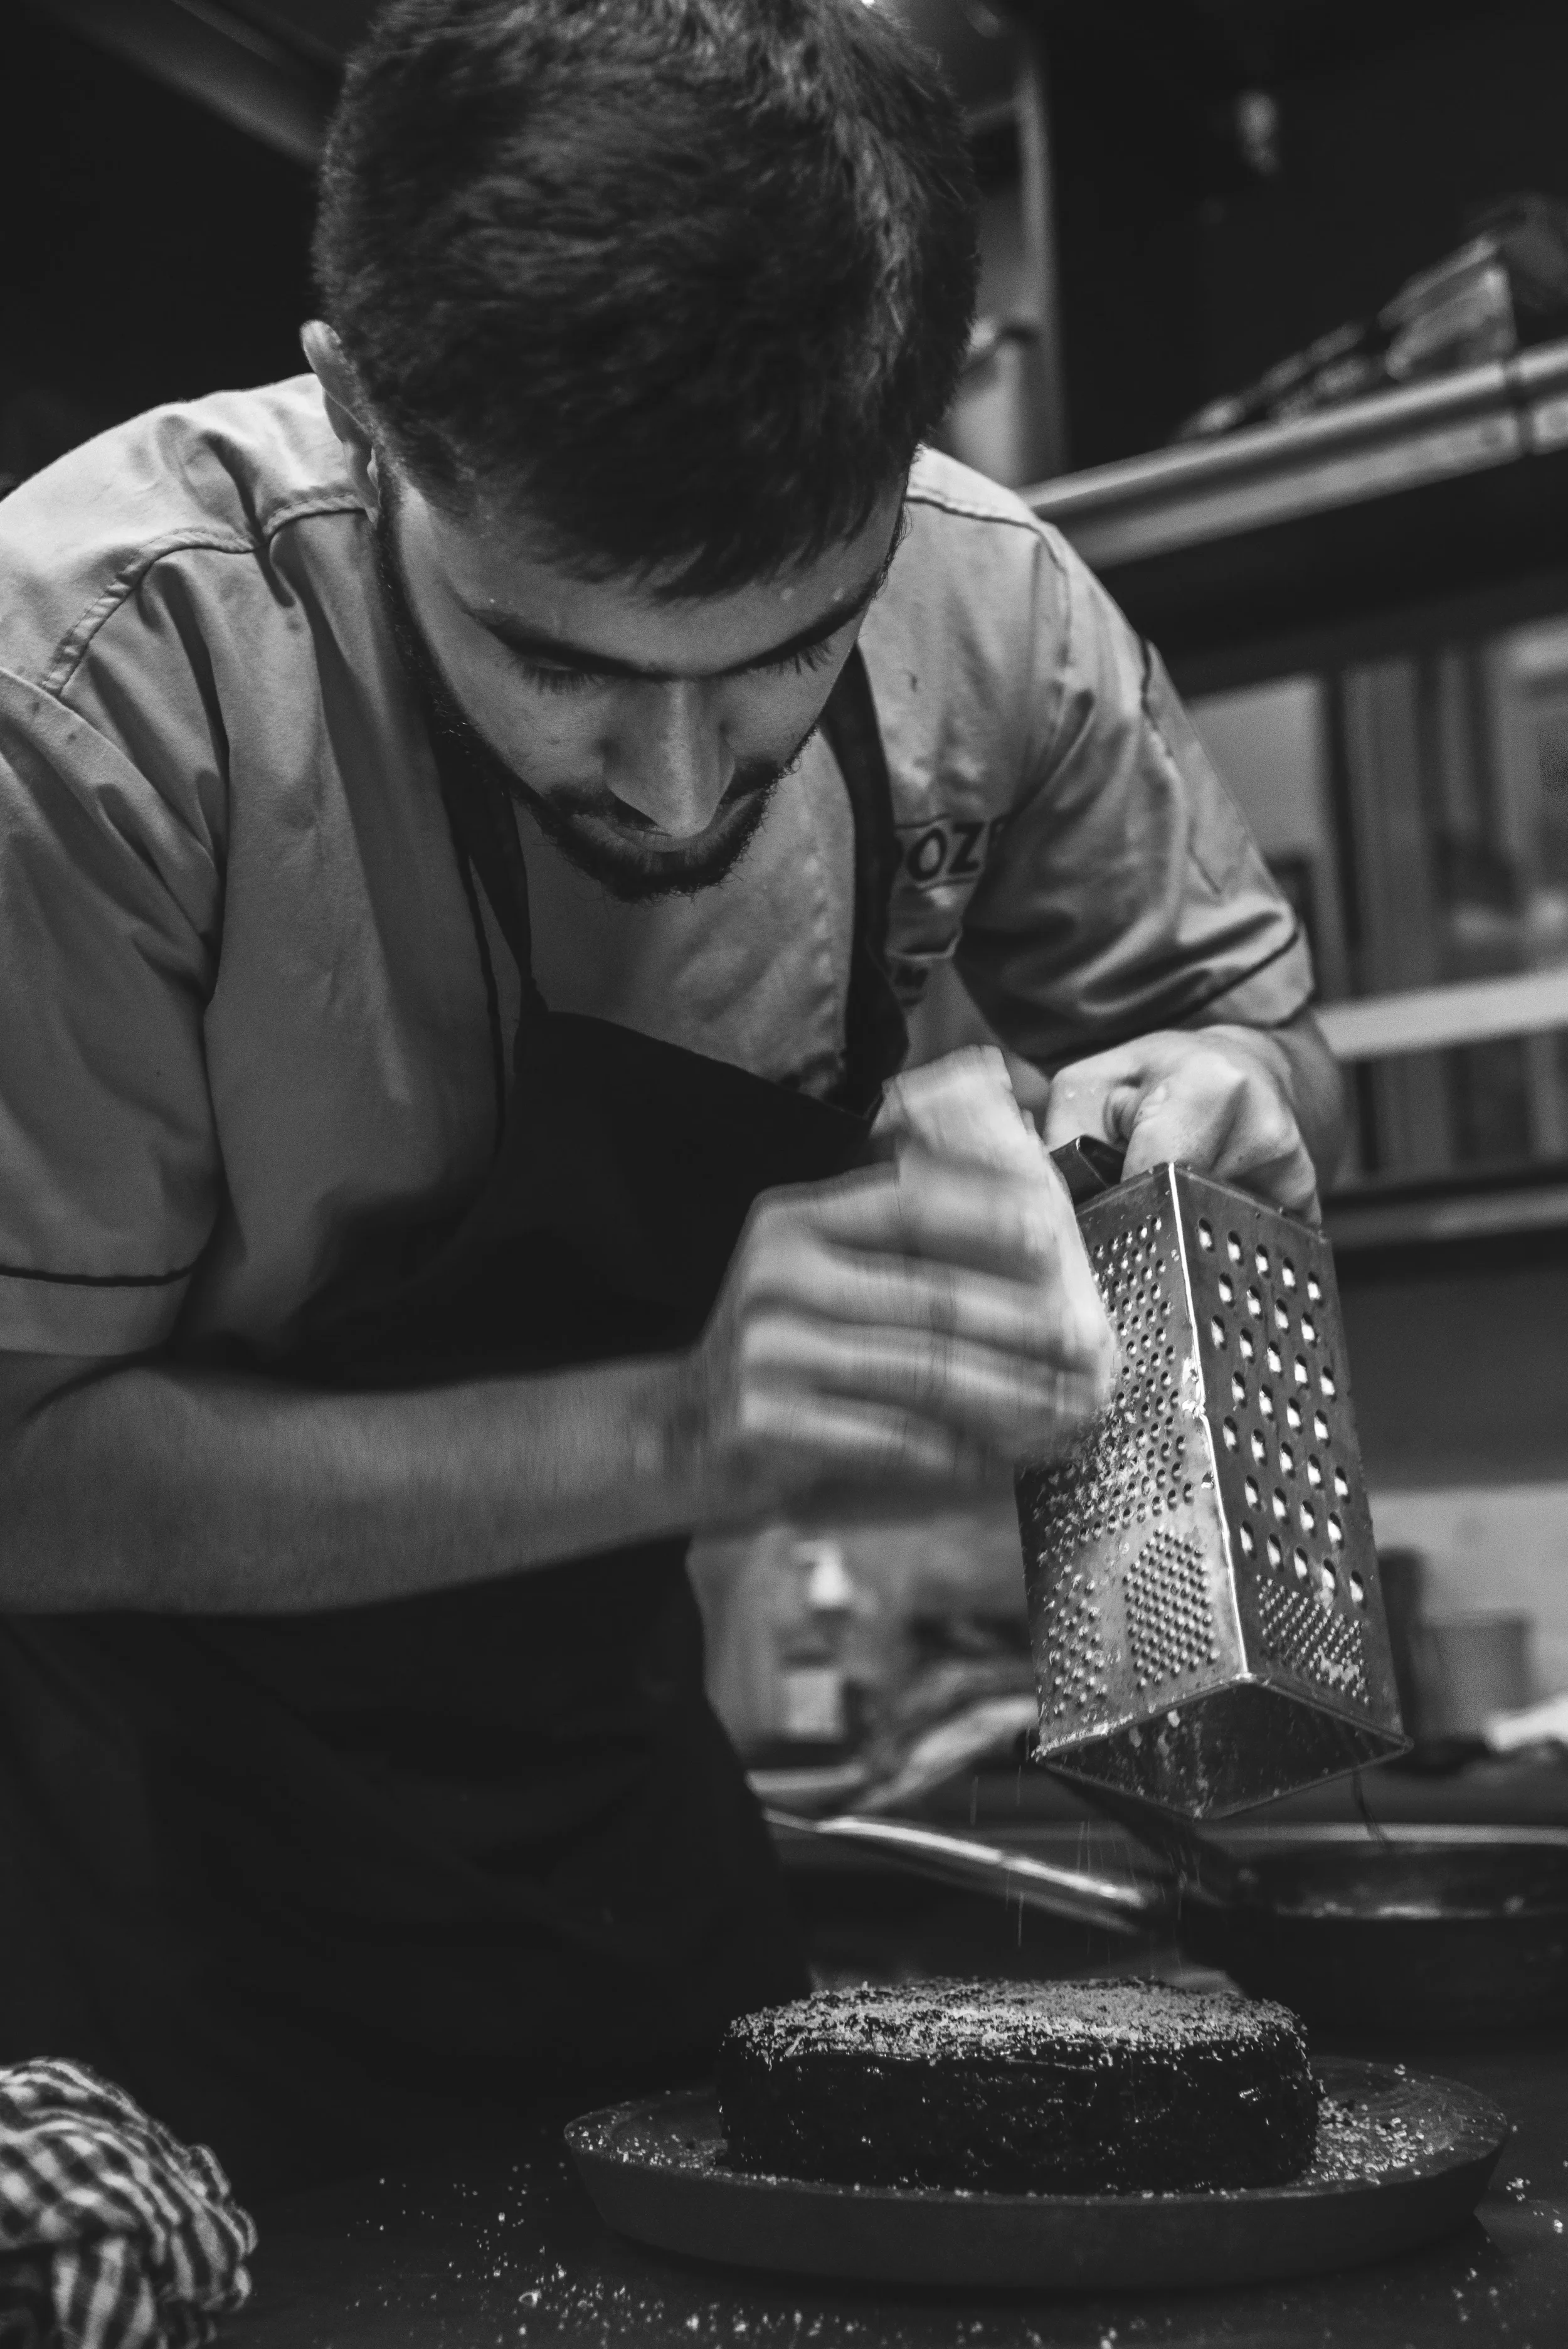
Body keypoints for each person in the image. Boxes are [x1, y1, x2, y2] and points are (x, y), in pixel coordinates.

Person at [0, 0, 1341, 2190]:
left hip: (610, 1830)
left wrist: (1220, 1096)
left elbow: (1261, 1050)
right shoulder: (87, 703)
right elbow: (19, 1474)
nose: (679, 783)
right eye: (558, 664)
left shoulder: (989, 599)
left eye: (785, 652)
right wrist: (684, 1436)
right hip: (119, 1907)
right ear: (363, 407)